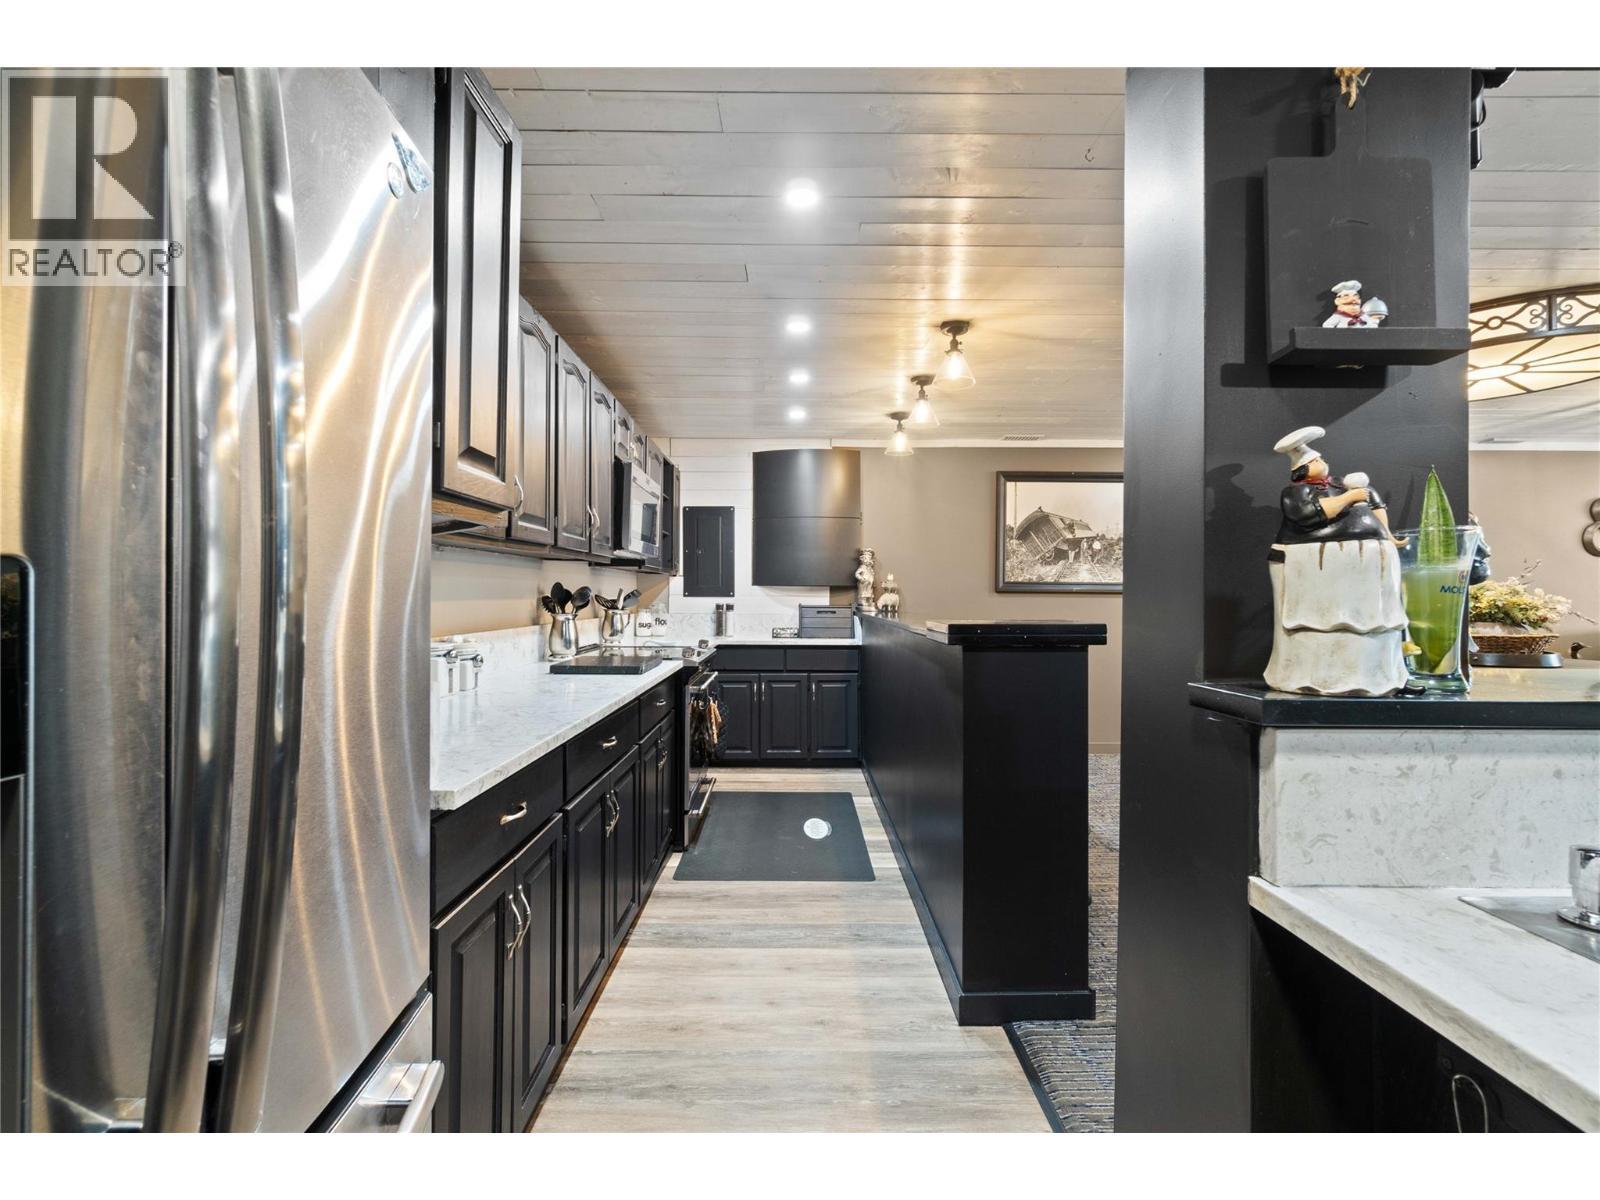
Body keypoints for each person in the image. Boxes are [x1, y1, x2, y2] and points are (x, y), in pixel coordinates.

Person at [1264, 426, 1409, 695]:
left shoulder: (1340, 485)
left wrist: (1387, 535)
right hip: (1319, 564)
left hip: (1364, 565)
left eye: (1320, 459)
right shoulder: (1295, 493)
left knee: (1374, 622)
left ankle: (1379, 675)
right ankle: (1318, 676)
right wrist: (1349, 497)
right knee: (1321, 622)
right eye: (1314, 461)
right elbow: (1310, 514)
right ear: (1302, 471)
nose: (1321, 463)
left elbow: (1374, 508)